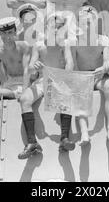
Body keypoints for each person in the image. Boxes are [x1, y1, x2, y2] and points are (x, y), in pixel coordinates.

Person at [17, 12, 76, 159]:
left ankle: (64, 138)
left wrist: (63, 79)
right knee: (25, 99)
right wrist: (34, 67)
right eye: (54, 25)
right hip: (43, 80)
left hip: (60, 79)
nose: (57, 28)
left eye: (61, 25)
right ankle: (32, 143)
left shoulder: (66, 43)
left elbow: (70, 63)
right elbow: (30, 67)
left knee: (66, 93)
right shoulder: (39, 44)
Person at [72, 5, 109, 143]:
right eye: (83, 22)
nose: (86, 25)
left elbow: (107, 62)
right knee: (79, 90)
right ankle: (84, 133)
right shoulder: (74, 42)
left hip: (99, 76)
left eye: (89, 22)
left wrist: (103, 69)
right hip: (82, 76)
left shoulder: (103, 40)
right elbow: (73, 65)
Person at [0, 17, 32, 100]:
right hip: (9, 85)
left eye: (10, 32)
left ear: (15, 32)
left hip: (25, 83)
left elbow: (27, 69)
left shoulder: (23, 46)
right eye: (4, 33)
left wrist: (24, 90)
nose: (7, 36)